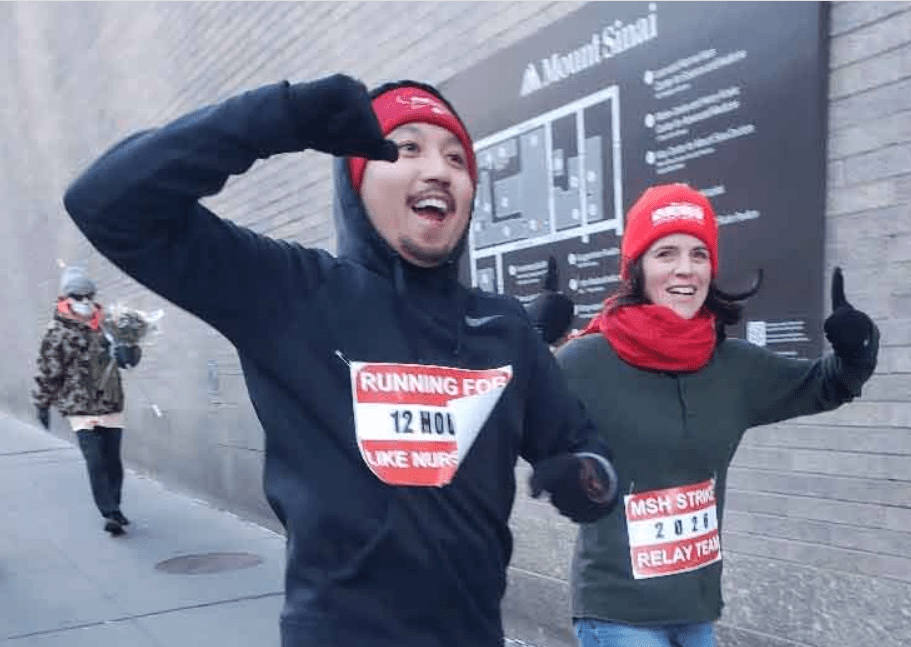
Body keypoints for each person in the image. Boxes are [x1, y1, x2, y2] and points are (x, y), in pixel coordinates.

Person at [62, 73, 618, 647]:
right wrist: (277, 117)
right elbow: (106, 203)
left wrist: (587, 479)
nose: (438, 169)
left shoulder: (504, 329)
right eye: (407, 148)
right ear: (356, 180)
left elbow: (582, 449)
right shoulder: (292, 292)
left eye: (457, 157)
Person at [553, 183, 880, 647]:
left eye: (698, 253)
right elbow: (507, 407)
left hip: (696, 608)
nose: (685, 269)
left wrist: (856, 350)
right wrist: (526, 339)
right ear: (638, 269)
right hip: (617, 611)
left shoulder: (735, 367)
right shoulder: (586, 362)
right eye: (666, 252)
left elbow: (829, 385)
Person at [33, 267, 132, 537]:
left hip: (111, 402)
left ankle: (116, 504)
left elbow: (128, 360)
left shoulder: (109, 324)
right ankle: (110, 513)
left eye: (90, 295)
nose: (86, 301)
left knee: (113, 460)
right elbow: (48, 370)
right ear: (68, 297)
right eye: (79, 296)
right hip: (80, 407)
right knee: (95, 461)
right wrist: (42, 403)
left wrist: (129, 350)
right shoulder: (57, 331)